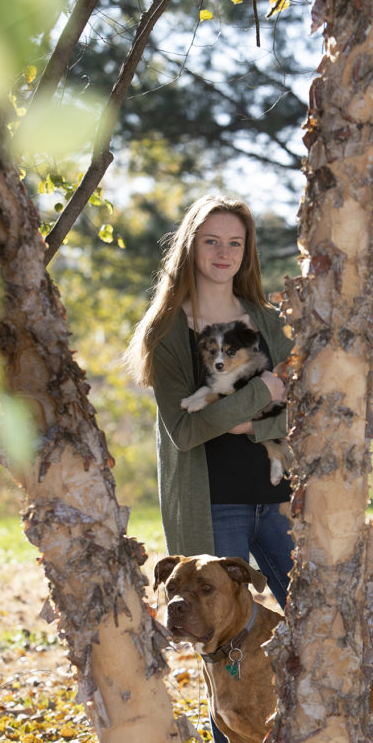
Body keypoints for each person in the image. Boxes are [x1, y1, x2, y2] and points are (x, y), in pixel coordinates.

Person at [125, 194, 294, 610]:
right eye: (211, 241)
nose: (224, 253)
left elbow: (301, 412)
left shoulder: (271, 321)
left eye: (235, 243)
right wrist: (260, 394)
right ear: (190, 246)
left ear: (246, 251)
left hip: (283, 500)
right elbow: (185, 432)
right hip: (215, 507)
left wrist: (248, 426)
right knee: (218, 633)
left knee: (320, 618)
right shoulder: (166, 333)